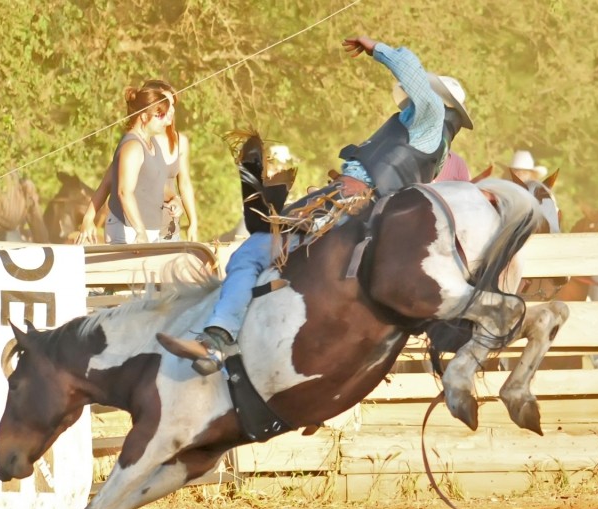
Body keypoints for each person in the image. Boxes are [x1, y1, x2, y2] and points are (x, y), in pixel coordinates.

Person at [157, 35, 474, 375]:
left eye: (420, 94)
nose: (409, 98)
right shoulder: (431, 145)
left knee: (253, 252)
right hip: (353, 205)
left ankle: (219, 337)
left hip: (348, 203)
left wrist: (376, 48)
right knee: (262, 248)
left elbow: (415, 78)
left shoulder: (428, 120)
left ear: (441, 104)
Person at [76, 80, 199, 244]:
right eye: (160, 115)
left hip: (150, 230)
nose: (166, 120)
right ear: (144, 116)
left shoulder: (152, 143)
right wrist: (139, 231)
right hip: (128, 229)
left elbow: (153, 183)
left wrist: (174, 198)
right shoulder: (133, 146)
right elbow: (122, 191)